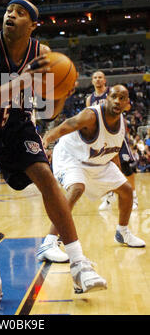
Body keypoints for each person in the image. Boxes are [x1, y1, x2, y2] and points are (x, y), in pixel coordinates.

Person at [0, 0, 107, 313]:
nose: (11, 14)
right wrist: (23, 81)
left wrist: (62, 92)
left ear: (32, 25)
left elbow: (50, 110)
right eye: (9, 10)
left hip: (15, 124)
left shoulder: (41, 54)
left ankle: (79, 264)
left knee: (45, 176)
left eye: (20, 13)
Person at [39, 85, 145, 263]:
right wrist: (46, 140)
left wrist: (116, 176)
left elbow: (114, 150)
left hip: (97, 162)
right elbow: (66, 126)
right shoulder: (91, 116)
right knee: (77, 188)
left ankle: (123, 232)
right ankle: (49, 243)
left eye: (122, 98)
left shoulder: (122, 123)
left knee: (126, 191)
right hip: (71, 157)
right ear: (106, 99)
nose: (117, 101)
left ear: (127, 104)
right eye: (114, 96)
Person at [86, 71, 138, 211]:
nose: (97, 80)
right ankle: (109, 197)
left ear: (104, 80)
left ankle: (134, 198)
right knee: (105, 169)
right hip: (101, 139)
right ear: (92, 81)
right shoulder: (89, 99)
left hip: (117, 134)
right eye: (95, 78)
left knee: (126, 166)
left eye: (100, 77)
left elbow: (128, 106)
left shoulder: (113, 92)